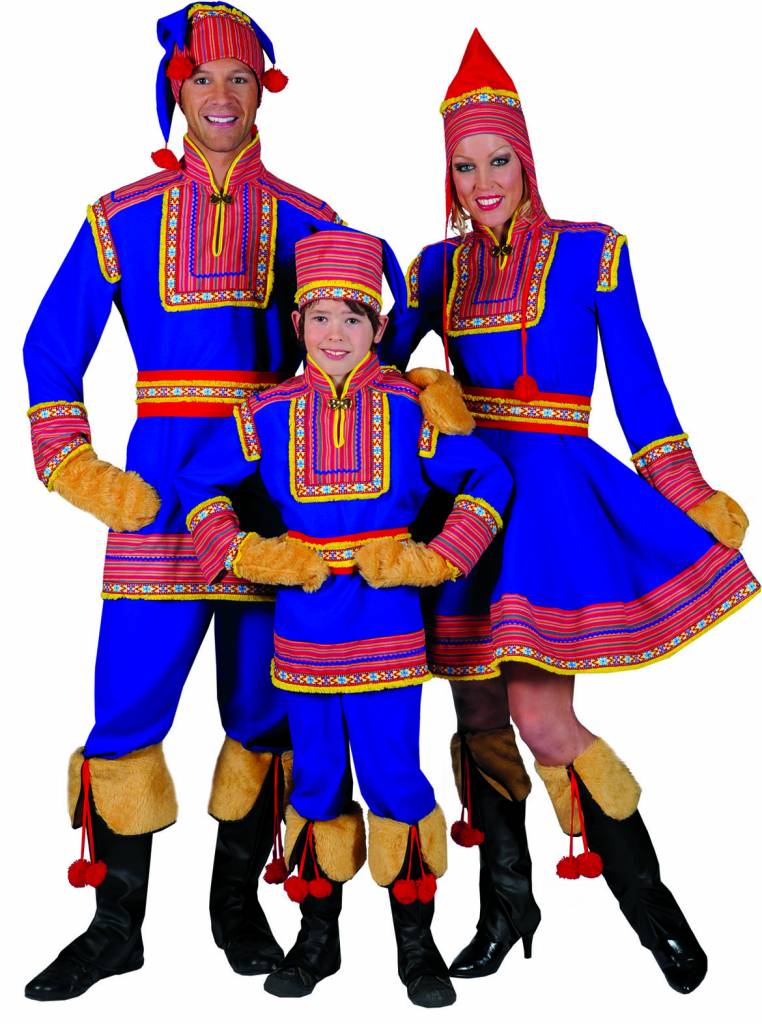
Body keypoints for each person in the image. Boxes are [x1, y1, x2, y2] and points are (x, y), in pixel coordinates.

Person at [381, 29, 758, 995]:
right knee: (476, 716)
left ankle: (653, 910)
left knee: (544, 719)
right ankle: (507, 905)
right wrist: (424, 393)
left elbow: (641, 390)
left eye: (496, 160)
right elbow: (370, 372)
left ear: (526, 158)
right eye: (463, 167)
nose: (481, 182)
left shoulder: (594, 252)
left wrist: (691, 494)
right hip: (468, 504)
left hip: (552, 506)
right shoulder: (433, 268)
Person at [22, 1, 356, 1000]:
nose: (221, 96)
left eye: (240, 78)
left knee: (263, 709)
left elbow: (354, 341)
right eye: (203, 78)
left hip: (272, 496)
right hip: (157, 497)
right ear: (178, 88)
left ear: (263, 91)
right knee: (125, 704)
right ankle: (115, 926)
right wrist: (78, 469)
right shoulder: (119, 216)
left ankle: (235, 906)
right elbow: (48, 349)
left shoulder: (310, 218)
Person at [176, 229, 513, 1007]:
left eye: (354, 318)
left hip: (387, 625)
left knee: (395, 775)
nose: (336, 334)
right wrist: (250, 554)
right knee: (317, 778)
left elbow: (488, 477)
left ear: (377, 326)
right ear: (298, 325)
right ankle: (316, 939)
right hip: (302, 631)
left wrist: (437, 557)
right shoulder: (265, 412)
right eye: (321, 317)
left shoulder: (410, 406)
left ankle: (417, 948)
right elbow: (198, 484)